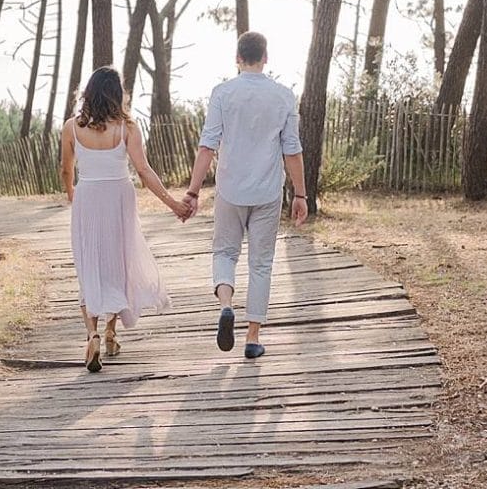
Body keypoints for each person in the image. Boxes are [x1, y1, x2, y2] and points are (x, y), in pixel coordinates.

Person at [181, 32, 308, 359]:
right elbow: (291, 149)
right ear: (266, 57)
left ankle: (226, 306)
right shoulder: (283, 96)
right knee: (261, 264)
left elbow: (207, 145)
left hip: (230, 190)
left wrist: (193, 191)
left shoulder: (223, 93)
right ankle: (253, 338)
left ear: (237, 57)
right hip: (267, 191)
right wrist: (300, 195)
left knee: (224, 252)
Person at [60, 66, 186, 373]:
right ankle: (111, 333)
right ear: (118, 94)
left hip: (88, 197)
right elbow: (143, 170)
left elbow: (66, 169)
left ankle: (92, 334)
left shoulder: (71, 127)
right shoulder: (127, 127)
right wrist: (173, 204)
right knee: (118, 263)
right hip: (119, 196)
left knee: (90, 265)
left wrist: (72, 194)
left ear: (88, 92)